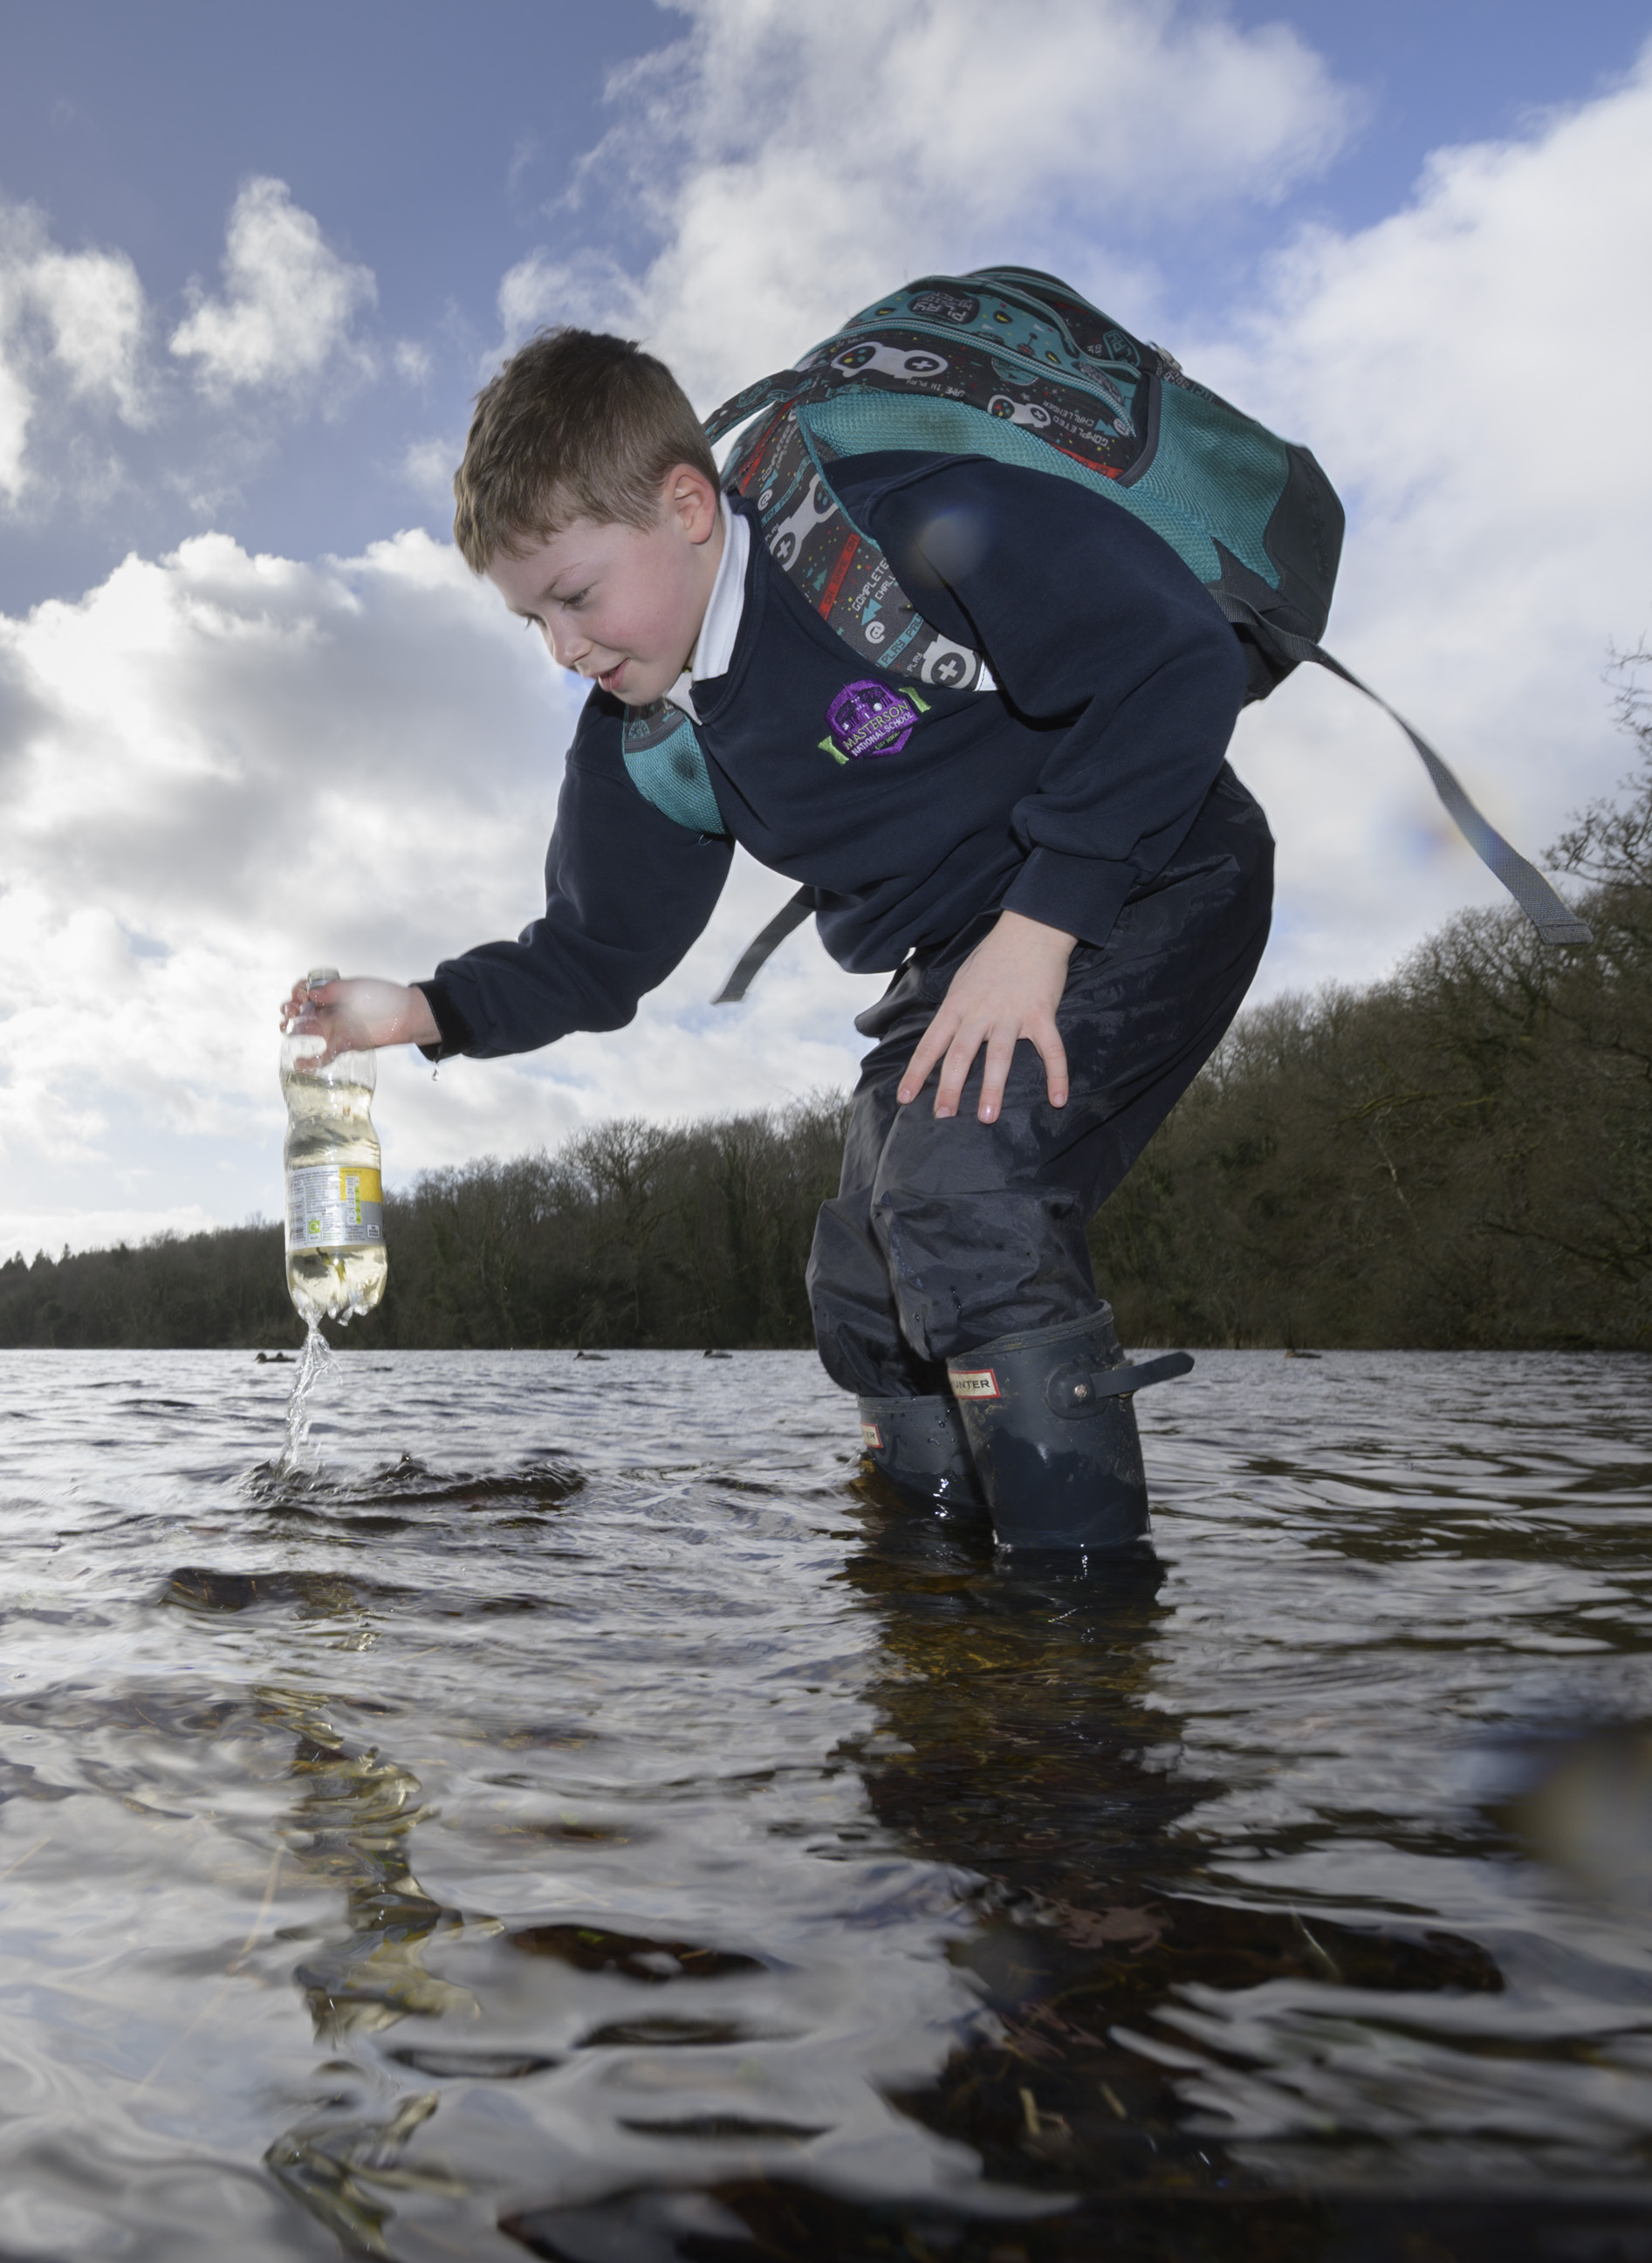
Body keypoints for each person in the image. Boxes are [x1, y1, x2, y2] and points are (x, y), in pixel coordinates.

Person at [284, 328, 1272, 1550]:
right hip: (949, 966)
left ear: (686, 507)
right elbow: (595, 953)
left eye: (576, 596)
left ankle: (1075, 1647)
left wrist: (1043, 920)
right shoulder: (642, 732)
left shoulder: (894, 517)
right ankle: (939, 1611)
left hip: (1148, 873)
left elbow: (1169, 651)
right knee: (859, 1279)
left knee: (960, 1197)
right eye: (530, 620)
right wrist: (419, 1011)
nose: (564, 650)